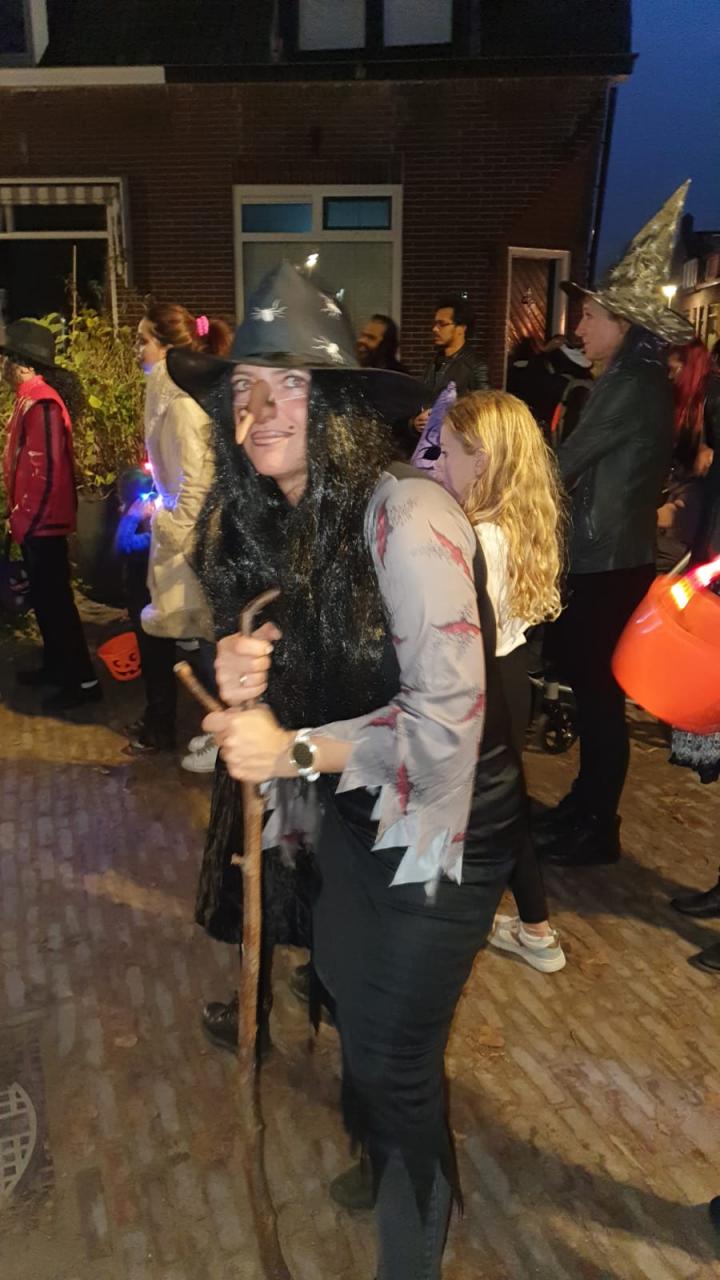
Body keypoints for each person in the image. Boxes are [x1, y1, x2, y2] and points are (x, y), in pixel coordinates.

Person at [168, 261, 524, 1280]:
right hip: (354, 806)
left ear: (337, 404)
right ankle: (378, 1146)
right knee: (344, 986)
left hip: (446, 824)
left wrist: (290, 749)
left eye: (293, 383)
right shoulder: (281, 518)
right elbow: (284, 654)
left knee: (396, 1057)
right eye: (246, 387)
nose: (264, 408)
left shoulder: (409, 518)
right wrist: (239, 665)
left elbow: (445, 723)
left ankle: (407, 1232)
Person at [534, 183, 695, 868]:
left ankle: (597, 825)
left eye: (590, 316)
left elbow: (565, 464)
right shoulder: (630, 379)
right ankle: (586, 807)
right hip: (607, 557)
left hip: (604, 563)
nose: (579, 328)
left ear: (623, 324)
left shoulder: (628, 385)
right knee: (595, 693)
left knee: (599, 698)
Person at [436, 390, 567, 972]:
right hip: (510, 675)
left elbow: (459, 633)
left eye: (447, 454)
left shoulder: (480, 539)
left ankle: (520, 931)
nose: (439, 466)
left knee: (487, 809)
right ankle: (533, 929)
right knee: (501, 807)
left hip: (482, 683)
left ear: (482, 459)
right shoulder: (515, 522)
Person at [129, 303, 231, 763]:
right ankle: (223, 729)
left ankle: (228, 736)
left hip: (193, 545)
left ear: (168, 349)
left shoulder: (182, 408)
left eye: (144, 340)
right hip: (186, 541)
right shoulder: (168, 400)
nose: (138, 350)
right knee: (197, 637)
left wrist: (167, 525)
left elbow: (198, 483)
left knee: (205, 639)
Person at [2, 319, 101, 711]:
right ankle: (58, 668)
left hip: (42, 523)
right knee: (47, 602)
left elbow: (46, 470)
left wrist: (26, 520)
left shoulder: (42, 403)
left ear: (25, 364)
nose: (4, 366)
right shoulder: (31, 399)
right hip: (36, 521)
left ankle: (84, 681)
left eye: (9, 358)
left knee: (56, 604)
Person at [656, 338, 720, 571]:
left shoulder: (710, 398)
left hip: (698, 509)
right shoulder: (689, 402)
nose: (670, 377)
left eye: (674, 369)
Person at [413, 294, 489, 436]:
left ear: (461, 328)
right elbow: (421, 400)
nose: (435, 329)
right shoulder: (432, 363)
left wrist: (447, 420)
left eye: (442, 324)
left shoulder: (474, 365)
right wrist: (414, 422)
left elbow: (485, 412)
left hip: (456, 441)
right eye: (435, 324)